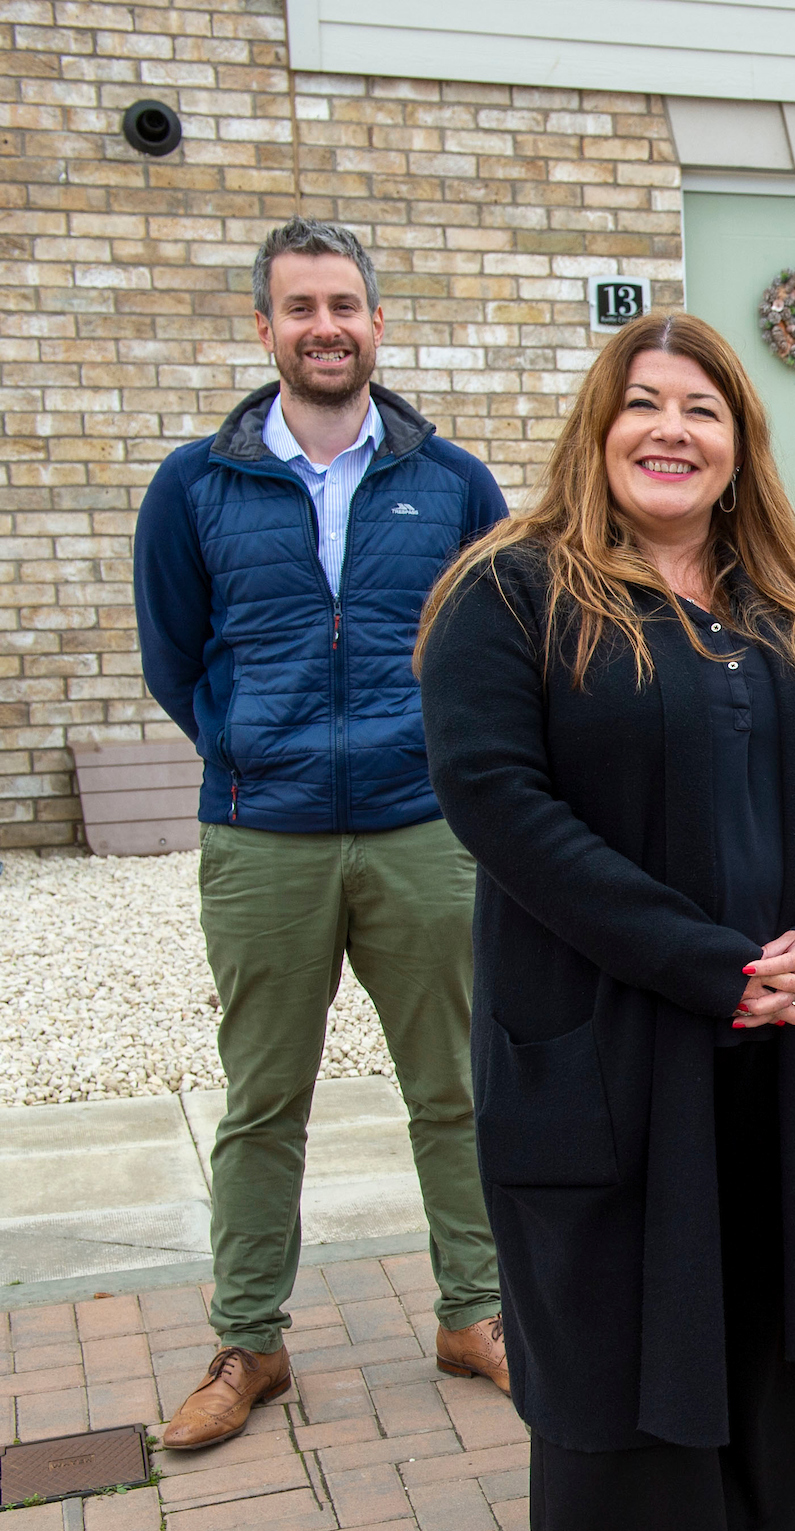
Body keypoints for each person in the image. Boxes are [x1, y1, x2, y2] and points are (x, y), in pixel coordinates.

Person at [416, 311, 795, 1531]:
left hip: (785, 1039)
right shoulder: (509, 597)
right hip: (605, 1047)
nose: (672, 431)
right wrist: (713, 965)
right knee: (611, 1339)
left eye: (703, 408)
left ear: (741, 442)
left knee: (761, 1328)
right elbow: (504, 809)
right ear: (598, 425)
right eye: (645, 405)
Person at [133, 218, 511, 1450]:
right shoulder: (195, 485)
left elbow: (490, 647)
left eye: (344, 303)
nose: (325, 326)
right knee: (263, 1099)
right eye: (300, 307)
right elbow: (175, 657)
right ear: (265, 329)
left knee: (454, 1088)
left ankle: (476, 1312)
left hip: (422, 829)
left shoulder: (450, 482)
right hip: (265, 838)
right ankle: (250, 1340)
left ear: (377, 322)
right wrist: (251, 748)